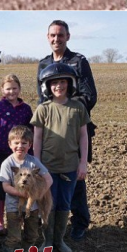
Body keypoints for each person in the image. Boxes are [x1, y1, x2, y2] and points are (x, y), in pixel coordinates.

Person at [37, 19, 97, 240]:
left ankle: (80, 222)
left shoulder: (78, 62)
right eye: (52, 35)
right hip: (51, 131)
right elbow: (41, 99)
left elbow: (89, 95)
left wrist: (66, 106)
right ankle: (50, 224)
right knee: (50, 177)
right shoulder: (43, 64)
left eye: (60, 35)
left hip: (75, 127)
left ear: (67, 37)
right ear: (47, 37)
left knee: (75, 178)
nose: (56, 39)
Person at [31, 63, 90, 252]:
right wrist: (37, 164)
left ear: (70, 83)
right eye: (54, 83)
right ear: (47, 86)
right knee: (48, 204)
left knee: (64, 204)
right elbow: (37, 138)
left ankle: (59, 240)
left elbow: (83, 136)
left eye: (62, 82)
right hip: (47, 167)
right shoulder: (43, 108)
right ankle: (47, 241)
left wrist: (82, 163)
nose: (59, 86)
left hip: (70, 167)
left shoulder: (78, 107)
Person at [0, 74, 33, 234]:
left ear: (19, 89)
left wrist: (30, 153)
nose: (11, 91)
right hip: (0, 154)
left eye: (14, 88)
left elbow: (30, 131)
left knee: (20, 185)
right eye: (8, 88)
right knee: (0, 188)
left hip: (20, 156)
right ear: (2, 90)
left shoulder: (26, 109)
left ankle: (18, 217)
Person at [0, 126, 52, 252]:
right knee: (14, 236)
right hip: (14, 206)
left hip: (33, 207)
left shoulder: (33, 162)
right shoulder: (7, 164)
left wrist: (38, 194)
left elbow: (49, 179)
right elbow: (5, 186)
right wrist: (22, 193)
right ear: (10, 144)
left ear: (30, 144)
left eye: (24, 143)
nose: (20, 146)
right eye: (16, 143)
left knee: (32, 234)